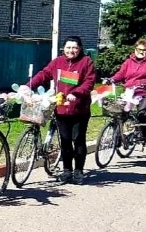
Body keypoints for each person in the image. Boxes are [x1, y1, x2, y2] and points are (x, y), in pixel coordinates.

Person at [28, 35, 96, 184]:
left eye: (75, 48)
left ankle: (78, 171)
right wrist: (28, 85)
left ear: (80, 49)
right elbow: (44, 74)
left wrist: (76, 93)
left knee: (78, 140)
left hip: (79, 110)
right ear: (64, 49)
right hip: (61, 109)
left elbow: (89, 82)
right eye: (68, 47)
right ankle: (67, 171)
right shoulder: (58, 62)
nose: (71, 51)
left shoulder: (86, 62)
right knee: (65, 141)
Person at [104, 38, 146, 141]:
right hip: (130, 92)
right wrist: (111, 80)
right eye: (139, 49)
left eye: (144, 50)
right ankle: (117, 138)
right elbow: (120, 74)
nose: (141, 52)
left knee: (141, 114)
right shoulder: (128, 62)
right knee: (119, 112)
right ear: (135, 49)